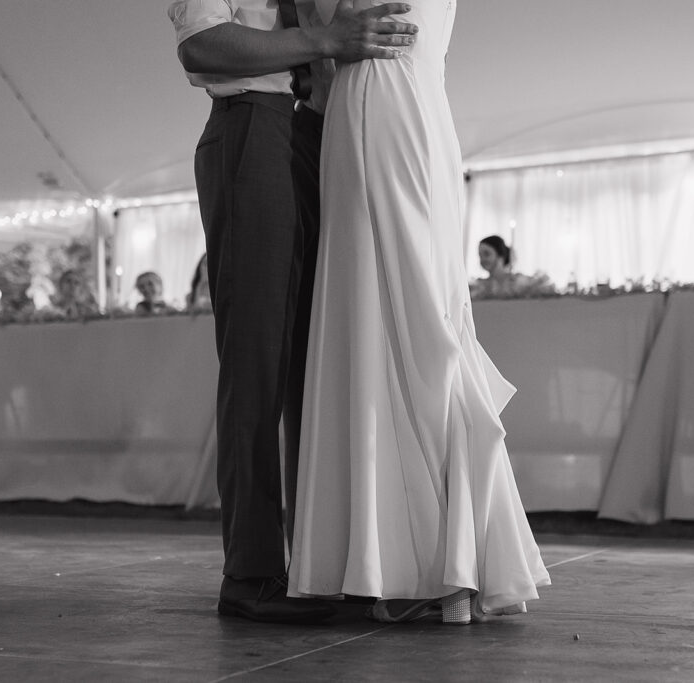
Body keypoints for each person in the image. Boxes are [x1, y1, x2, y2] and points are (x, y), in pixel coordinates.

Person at [287, 0, 551, 624]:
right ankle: (429, 557)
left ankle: (423, 561)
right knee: (401, 311)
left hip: (387, 104)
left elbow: (324, 36)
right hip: (398, 107)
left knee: (410, 312)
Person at [168, 0, 419, 624]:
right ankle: (251, 572)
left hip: (319, 132)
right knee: (257, 360)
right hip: (252, 121)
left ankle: (323, 560)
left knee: (319, 360)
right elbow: (201, 46)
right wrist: (326, 38)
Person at [470, 234, 513, 299]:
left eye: (486, 254)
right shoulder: (478, 286)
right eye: (480, 256)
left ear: (500, 254)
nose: (483, 259)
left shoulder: (518, 283)